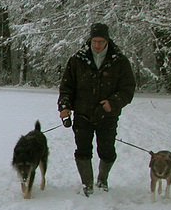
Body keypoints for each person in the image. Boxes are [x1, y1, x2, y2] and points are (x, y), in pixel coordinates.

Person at [58, 23, 136, 196]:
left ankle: (102, 179)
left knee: (107, 151)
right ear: (90, 40)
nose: (97, 45)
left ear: (107, 40)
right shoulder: (77, 59)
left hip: (108, 115)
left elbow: (128, 89)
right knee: (83, 150)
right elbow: (67, 87)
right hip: (82, 114)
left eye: (101, 41)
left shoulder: (119, 61)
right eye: (95, 41)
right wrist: (64, 107)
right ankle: (87, 184)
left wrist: (112, 103)